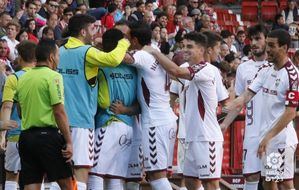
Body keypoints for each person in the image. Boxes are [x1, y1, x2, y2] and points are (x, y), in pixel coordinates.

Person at [57, 14, 130, 190]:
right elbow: (113, 59)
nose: (95, 32)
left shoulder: (58, 51)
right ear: (83, 31)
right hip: (82, 122)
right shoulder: (87, 52)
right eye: (92, 29)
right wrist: (124, 43)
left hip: (58, 121)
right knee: (81, 171)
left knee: (59, 174)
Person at [144, 31, 223, 190]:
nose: (185, 49)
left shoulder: (205, 69)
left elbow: (176, 72)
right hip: (190, 138)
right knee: (191, 183)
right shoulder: (187, 68)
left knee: (211, 185)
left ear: (201, 50)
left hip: (207, 138)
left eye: (190, 47)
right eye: (183, 46)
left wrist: (154, 52)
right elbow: (172, 75)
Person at [220, 29, 298, 190]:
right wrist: (227, 106)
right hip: (264, 136)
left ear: (284, 48)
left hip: (279, 138)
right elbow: (247, 95)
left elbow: (291, 112)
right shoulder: (266, 69)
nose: (267, 49)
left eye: (272, 45)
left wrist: (268, 137)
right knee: (269, 182)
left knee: (283, 183)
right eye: (267, 44)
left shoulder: (292, 75)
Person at [15, 39, 73, 190]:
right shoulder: (54, 76)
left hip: (26, 138)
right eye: (58, 55)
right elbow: (59, 111)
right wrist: (69, 141)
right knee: (68, 184)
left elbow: (20, 112)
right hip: (47, 137)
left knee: (31, 185)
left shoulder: (22, 78)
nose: (59, 59)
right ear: (51, 57)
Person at [127, 22, 177, 190]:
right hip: (167, 119)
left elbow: (125, 58)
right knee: (157, 174)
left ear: (134, 40)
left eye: (127, 40)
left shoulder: (143, 55)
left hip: (155, 123)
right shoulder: (158, 54)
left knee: (156, 176)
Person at [88, 28, 139, 190]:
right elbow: (141, 104)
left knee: (95, 173)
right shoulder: (134, 69)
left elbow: (103, 102)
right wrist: (125, 110)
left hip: (108, 122)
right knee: (116, 176)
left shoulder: (100, 66)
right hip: (128, 126)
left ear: (107, 45)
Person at [230, 24, 268, 190]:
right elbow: (238, 102)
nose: (253, 43)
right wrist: (223, 124)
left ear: (268, 40)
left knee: (275, 180)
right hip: (252, 133)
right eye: (251, 39)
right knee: (251, 177)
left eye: (258, 38)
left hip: (275, 134)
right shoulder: (243, 68)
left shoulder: (278, 67)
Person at [1, 40, 37, 190]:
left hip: (15, 133)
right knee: (34, 177)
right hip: (37, 135)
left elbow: (7, 106)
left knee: (11, 175)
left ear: (19, 57)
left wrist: (2, 134)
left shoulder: (13, 78)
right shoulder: (45, 76)